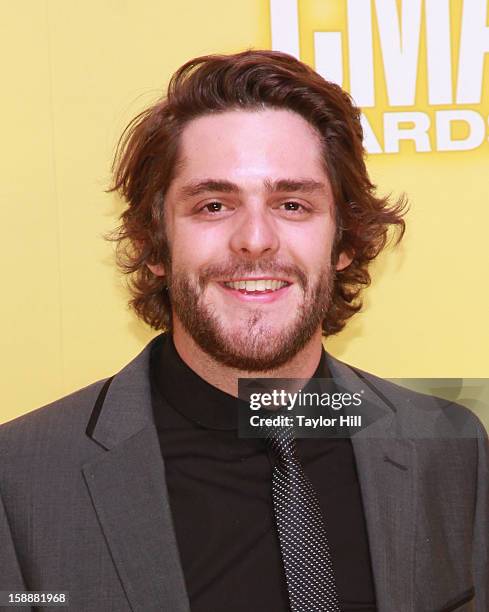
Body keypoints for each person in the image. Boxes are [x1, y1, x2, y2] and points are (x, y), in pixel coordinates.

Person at [0, 50, 487, 612]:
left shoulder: (451, 449)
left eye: (292, 204)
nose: (255, 239)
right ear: (153, 245)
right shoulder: (21, 484)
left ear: (344, 242)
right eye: (213, 205)